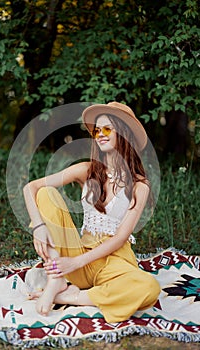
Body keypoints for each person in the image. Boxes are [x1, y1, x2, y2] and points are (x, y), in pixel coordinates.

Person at [23, 101, 161, 323]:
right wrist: (38, 227)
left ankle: (74, 295)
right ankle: (56, 278)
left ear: (124, 134)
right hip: (77, 254)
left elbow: (121, 238)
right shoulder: (87, 170)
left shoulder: (139, 185)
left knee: (149, 287)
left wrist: (75, 264)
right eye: (97, 130)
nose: (100, 134)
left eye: (107, 129)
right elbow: (31, 187)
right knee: (46, 193)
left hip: (114, 262)